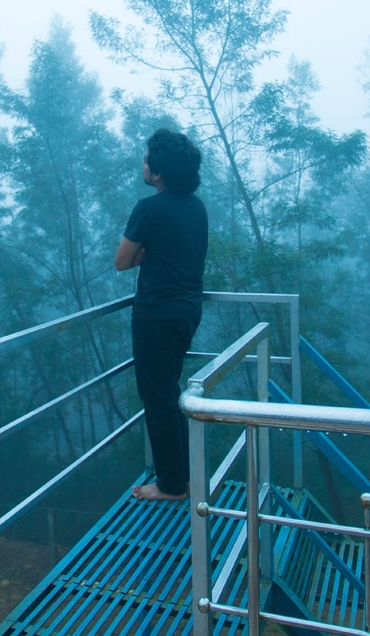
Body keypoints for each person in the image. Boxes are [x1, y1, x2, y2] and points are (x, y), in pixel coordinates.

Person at [114, 129, 209, 501]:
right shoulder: (196, 207)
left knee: (157, 398)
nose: (143, 162)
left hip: (156, 315)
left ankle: (172, 486)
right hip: (187, 310)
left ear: (158, 170)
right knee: (168, 393)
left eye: (147, 157)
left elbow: (122, 261)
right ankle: (182, 476)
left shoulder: (149, 208)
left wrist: (141, 255)